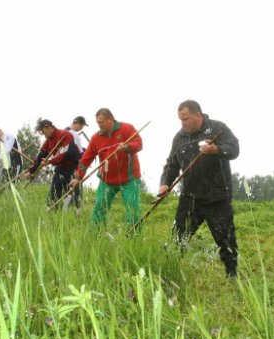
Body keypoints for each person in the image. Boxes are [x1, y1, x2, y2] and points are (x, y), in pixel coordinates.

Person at [158, 100, 240, 278]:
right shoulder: (179, 137)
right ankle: (169, 274)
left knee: (226, 240)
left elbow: (234, 149)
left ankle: (233, 277)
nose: (183, 123)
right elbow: (172, 164)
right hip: (190, 197)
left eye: (186, 119)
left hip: (217, 197)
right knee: (178, 238)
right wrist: (165, 183)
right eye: (180, 119)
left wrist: (216, 149)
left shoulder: (218, 128)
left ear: (198, 115)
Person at [69, 108, 143, 227]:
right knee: (99, 208)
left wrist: (127, 147)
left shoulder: (127, 128)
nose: (99, 125)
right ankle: (95, 237)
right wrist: (78, 177)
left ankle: (133, 238)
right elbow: (86, 159)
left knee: (133, 209)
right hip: (107, 180)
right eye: (98, 122)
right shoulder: (96, 138)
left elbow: (139, 144)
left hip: (129, 178)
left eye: (101, 122)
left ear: (111, 119)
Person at [24, 119, 81, 208]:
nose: (44, 135)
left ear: (48, 127)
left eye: (43, 132)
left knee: (73, 194)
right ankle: (53, 211)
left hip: (73, 167)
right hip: (60, 168)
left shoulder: (66, 135)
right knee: (54, 192)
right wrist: (31, 171)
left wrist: (50, 162)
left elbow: (65, 154)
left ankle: (75, 212)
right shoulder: (47, 142)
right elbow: (40, 157)